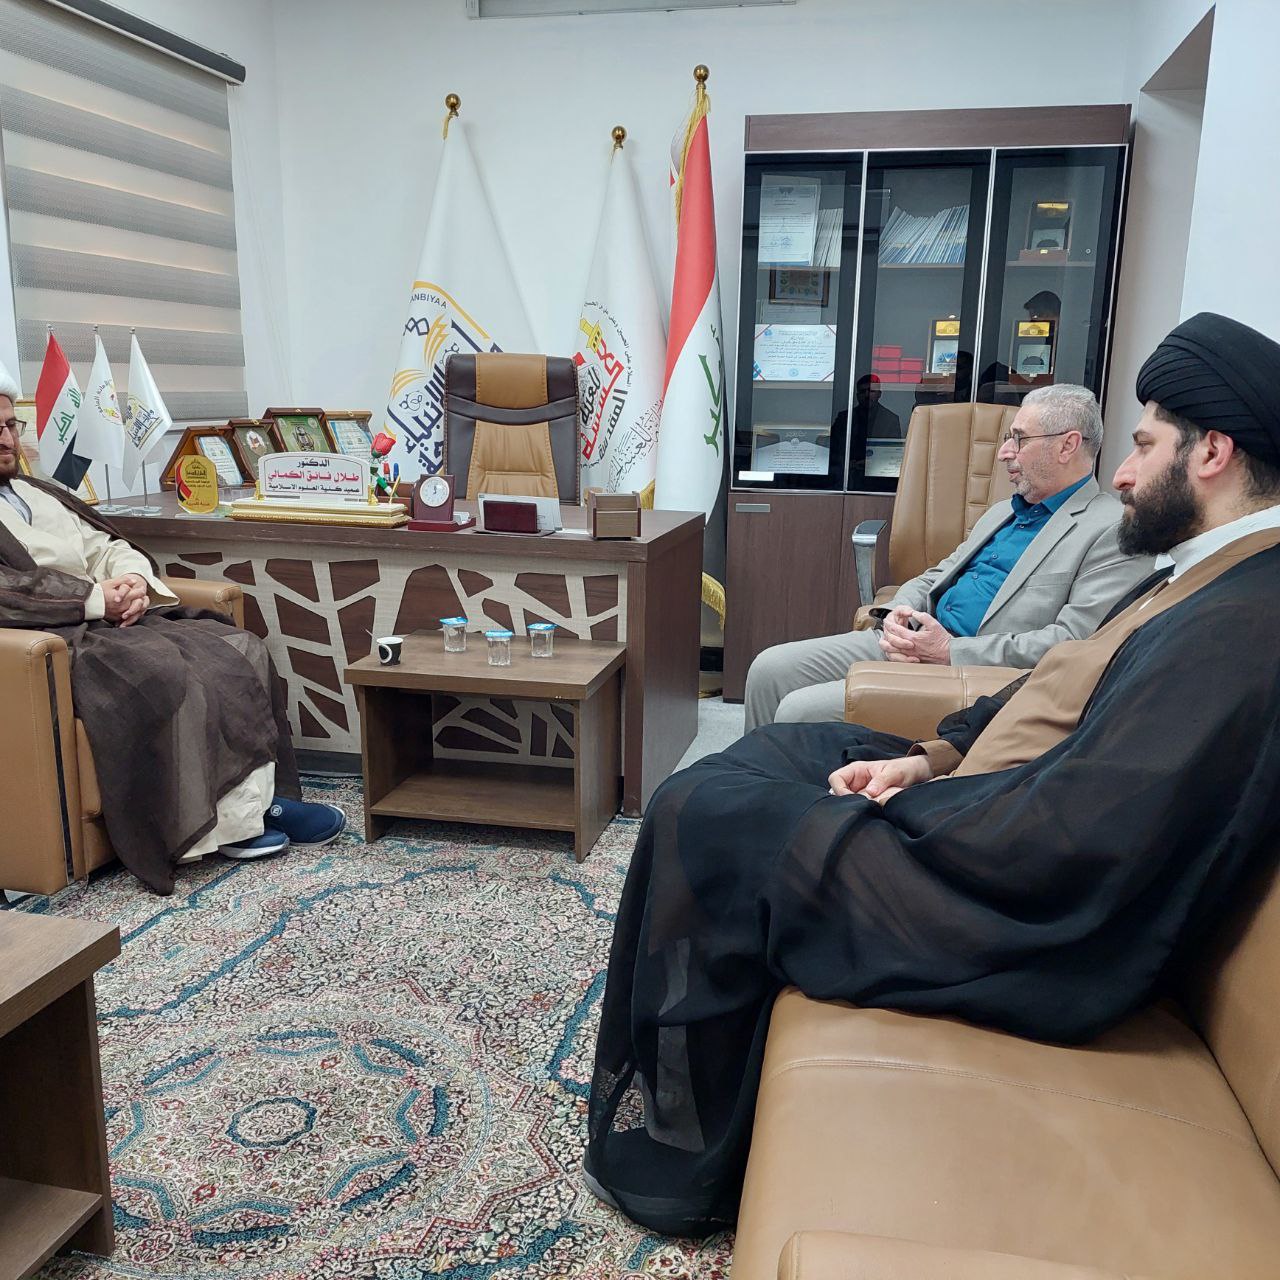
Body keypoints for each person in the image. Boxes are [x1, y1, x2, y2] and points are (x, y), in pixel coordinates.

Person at [586, 312, 1280, 1238]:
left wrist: (908, 820)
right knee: (757, 760)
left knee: (706, 814)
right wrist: (924, 760)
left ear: (1213, 453)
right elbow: (1058, 693)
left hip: (1017, 906)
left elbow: (1088, 830)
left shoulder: (1240, 627)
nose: (1123, 471)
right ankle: (700, 1084)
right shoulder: (1202, 573)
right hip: (989, 805)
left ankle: (691, 1152)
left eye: (1145, 444)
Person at [0, 375, 345, 894]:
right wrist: (96, 599)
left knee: (238, 647)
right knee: (162, 671)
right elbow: (9, 590)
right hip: (60, 636)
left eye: (11, 425)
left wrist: (133, 581)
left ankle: (262, 804)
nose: (8, 440)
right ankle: (225, 827)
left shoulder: (37, 489)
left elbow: (104, 545)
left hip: (114, 619)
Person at [745, 382, 1153, 730]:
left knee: (798, 710)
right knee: (769, 669)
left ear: (1067, 445)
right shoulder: (1003, 511)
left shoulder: (1112, 530)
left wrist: (947, 651)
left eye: (1019, 439)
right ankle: (749, 788)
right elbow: (937, 574)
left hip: (971, 673)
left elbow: (1072, 644)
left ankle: (782, 792)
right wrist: (900, 611)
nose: (1004, 452)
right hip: (915, 643)